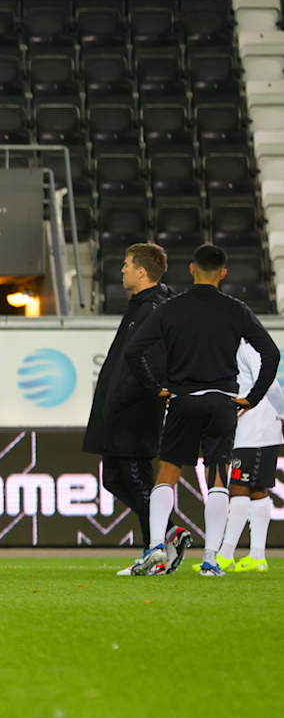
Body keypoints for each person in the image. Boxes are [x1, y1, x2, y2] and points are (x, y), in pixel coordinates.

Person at [124, 244, 280, 576]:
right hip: (223, 403)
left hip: (183, 400)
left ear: (191, 270)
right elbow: (271, 353)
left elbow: (133, 350)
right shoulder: (236, 310)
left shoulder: (170, 308)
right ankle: (210, 559)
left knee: (167, 475)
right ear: (223, 273)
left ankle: (155, 547)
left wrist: (156, 389)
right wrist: (251, 398)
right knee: (218, 480)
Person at [80, 244, 173, 576]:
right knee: (115, 480)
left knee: (135, 482)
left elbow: (151, 365)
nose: (121, 270)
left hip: (135, 413)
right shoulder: (141, 307)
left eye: (126, 264)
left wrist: (121, 399)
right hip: (121, 412)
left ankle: (157, 550)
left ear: (142, 272)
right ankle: (168, 535)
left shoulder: (154, 309)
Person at [195, 339, 281, 573]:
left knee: (238, 488)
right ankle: (257, 556)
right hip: (250, 430)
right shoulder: (227, 347)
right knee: (256, 489)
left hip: (257, 428)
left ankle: (226, 554)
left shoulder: (247, 346)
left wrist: (282, 415)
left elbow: (270, 383)